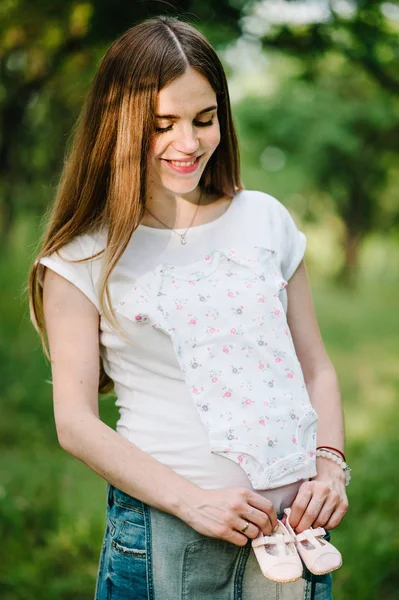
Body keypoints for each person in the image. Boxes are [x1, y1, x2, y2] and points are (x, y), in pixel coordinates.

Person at [28, 15, 350, 600]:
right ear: (119, 127)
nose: (189, 143)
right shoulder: (81, 257)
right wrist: (193, 502)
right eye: (163, 125)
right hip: (165, 537)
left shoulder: (265, 219)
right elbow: (74, 423)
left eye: (205, 120)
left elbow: (315, 366)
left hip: (293, 539)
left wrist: (330, 465)